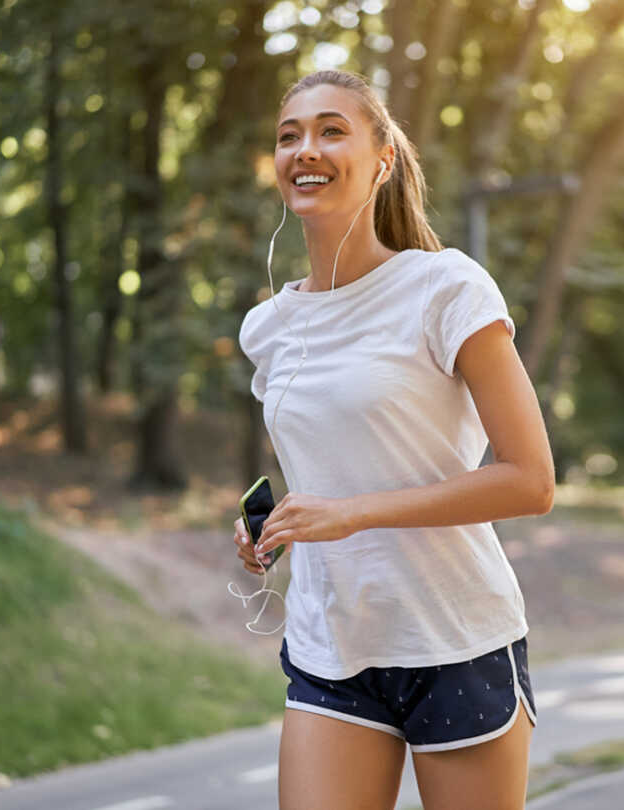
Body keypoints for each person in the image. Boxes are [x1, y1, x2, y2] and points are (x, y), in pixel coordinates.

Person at [232, 69, 554, 810]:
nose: (305, 149)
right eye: (290, 136)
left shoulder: (446, 289)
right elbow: (327, 464)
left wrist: (352, 513)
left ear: (382, 161)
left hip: (455, 637)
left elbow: (530, 481)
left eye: (331, 130)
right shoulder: (268, 328)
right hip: (332, 645)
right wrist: (270, 529)